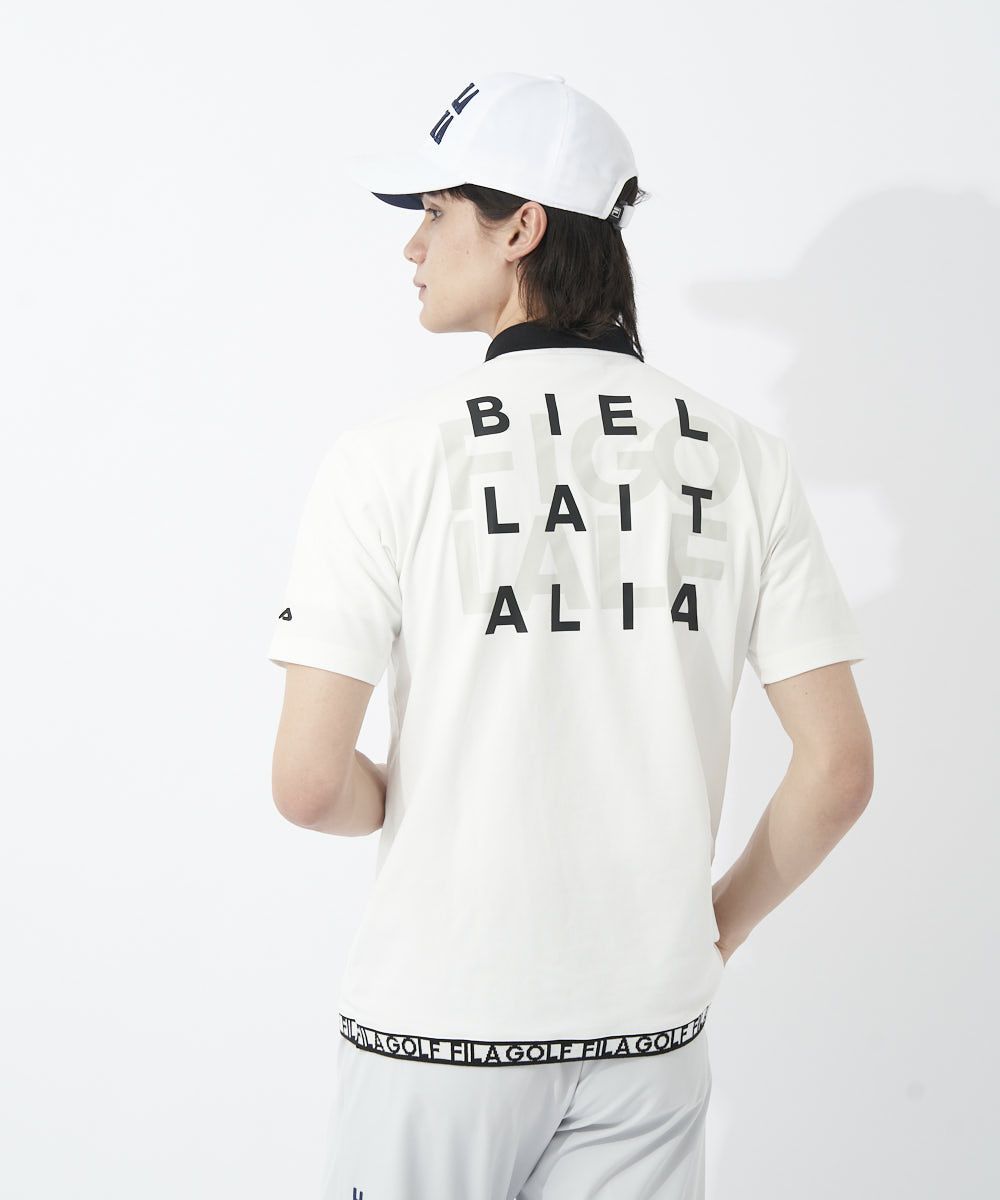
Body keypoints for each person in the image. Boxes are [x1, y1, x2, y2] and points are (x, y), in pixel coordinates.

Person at [267, 71, 873, 1200]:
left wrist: (396, 792)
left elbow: (307, 786)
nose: (412, 247)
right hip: (648, 1033)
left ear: (522, 229)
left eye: (435, 211)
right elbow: (837, 770)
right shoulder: (743, 459)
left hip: (442, 1025)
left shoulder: (387, 458)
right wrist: (712, 934)